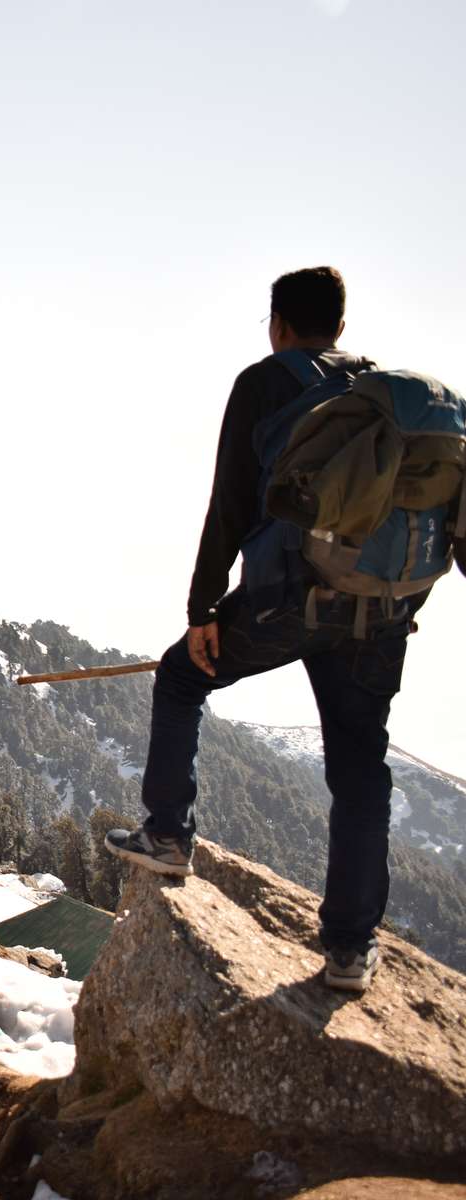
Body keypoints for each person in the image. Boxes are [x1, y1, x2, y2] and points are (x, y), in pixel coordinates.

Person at [105, 266, 446, 994]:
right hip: (380, 610)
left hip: (290, 598)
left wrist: (202, 611)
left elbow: (229, 504)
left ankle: (167, 834)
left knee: (181, 675)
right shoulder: (383, 397)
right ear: (342, 328)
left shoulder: (264, 382)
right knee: (360, 772)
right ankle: (351, 949)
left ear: (279, 325)